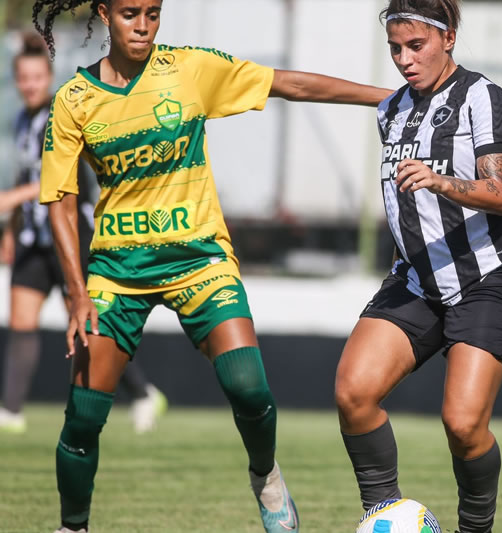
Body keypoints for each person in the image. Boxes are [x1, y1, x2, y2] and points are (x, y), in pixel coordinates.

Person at [32, 0, 391, 532]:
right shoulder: (74, 100)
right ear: (105, 15)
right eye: (131, 13)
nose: (144, 25)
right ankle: (73, 526)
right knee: (83, 419)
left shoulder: (190, 69)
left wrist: (394, 98)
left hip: (201, 259)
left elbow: (292, 85)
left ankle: (267, 479)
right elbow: (59, 200)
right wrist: (78, 292)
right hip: (117, 271)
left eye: (153, 13)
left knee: (249, 386)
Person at [334, 1, 502, 531]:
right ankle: (388, 517)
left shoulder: (481, 97)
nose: (403, 58)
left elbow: (500, 192)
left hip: (489, 280)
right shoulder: (392, 109)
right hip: (418, 282)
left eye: (414, 45)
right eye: (394, 48)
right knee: (354, 394)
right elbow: (312, 88)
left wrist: (442, 180)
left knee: (464, 425)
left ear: (448, 38)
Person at [0, 32, 167, 436]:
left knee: (88, 322)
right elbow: (28, 174)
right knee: (21, 321)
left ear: (49, 76)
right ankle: (10, 412)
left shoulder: (63, 111)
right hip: (33, 241)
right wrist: (10, 228)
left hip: (70, 235)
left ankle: (143, 392)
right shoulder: (22, 120)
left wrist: (9, 198)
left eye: (37, 77)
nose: (30, 85)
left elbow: (55, 180)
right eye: (23, 78)